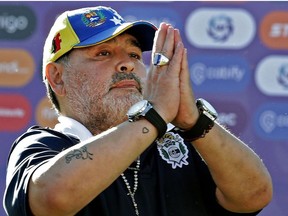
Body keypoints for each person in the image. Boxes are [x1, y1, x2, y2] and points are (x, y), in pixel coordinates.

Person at [3, 5, 272, 216]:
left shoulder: (180, 145)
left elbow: (255, 195)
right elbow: (52, 197)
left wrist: (194, 122)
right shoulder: (43, 146)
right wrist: (153, 117)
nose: (127, 65)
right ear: (58, 78)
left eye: (133, 55)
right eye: (103, 53)